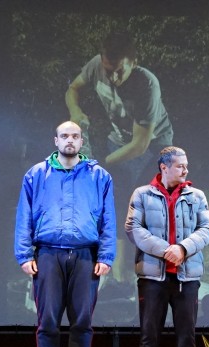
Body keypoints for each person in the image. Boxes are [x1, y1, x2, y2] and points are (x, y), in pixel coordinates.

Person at [14, 121, 116, 347]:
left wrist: (106, 256)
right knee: (47, 319)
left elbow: (108, 218)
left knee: (82, 320)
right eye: (64, 136)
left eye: (75, 136)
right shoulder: (36, 174)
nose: (69, 140)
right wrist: (24, 255)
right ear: (56, 141)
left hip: (85, 255)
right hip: (48, 254)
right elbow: (24, 216)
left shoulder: (99, 176)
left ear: (82, 141)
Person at [66, 32, 173, 287]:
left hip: (154, 146)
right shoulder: (96, 65)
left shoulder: (147, 85)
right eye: (108, 70)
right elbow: (73, 89)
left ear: (133, 63)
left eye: (119, 71)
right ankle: (117, 275)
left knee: (139, 206)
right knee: (113, 201)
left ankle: (147, 272)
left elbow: (139, 145)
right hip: (119, 141)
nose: (113, 78)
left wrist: (102, 162)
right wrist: (75, 110)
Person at [125, 146, 209, 347]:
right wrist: (167, 250)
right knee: (149, 332)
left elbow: (206, 229)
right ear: (164, 167)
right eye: (180, 166)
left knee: (187, 334)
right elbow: (133, 228)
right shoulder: (142, 194)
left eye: (186, 166)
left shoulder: (197, 196)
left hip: (187, 277)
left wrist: (183, 249)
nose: (185, 170)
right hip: (152, 276)